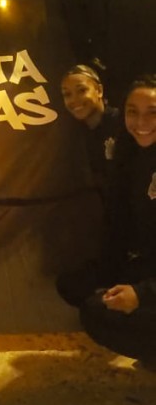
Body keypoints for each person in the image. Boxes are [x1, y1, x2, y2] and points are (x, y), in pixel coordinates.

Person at [58, 77, 156, 364]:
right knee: (75, 285)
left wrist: (142, 293)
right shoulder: (130, 154)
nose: (142, 120)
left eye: (153, 111)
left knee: (95, 313)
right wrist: (110, 272)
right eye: (132, 111)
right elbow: (120, 226)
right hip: (146, 261)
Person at [60, 64, 118, 196]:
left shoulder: (123, 124)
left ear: (99, 91)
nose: (74, 99)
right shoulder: (73, 136)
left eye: (81, 90)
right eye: (67, 94)